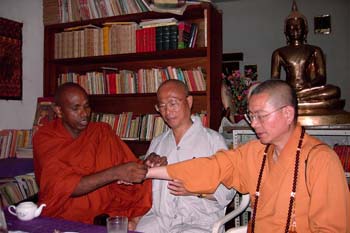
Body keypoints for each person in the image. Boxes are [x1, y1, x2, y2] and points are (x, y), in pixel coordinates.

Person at [146, 80, 350, 232]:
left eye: (260, 116)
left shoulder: (321, 160)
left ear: (288, 114)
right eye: (251, 116)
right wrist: (149, 172)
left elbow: (332, 228)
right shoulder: (255, 152)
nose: (253, 124)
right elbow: (213, 166)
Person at [33, 82, 164, 228]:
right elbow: (65, 186)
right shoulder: (45, 137)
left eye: (86, 106)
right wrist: (116, 173)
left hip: (105, 211)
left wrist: (147, 165)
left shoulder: (101, 132)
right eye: (76, 108)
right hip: (65, 215)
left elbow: (126, 165)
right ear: (59, 110)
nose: (84, 114)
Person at [136, 79, 236, 233]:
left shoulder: (213, 141)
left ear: (189, 101)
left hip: (198, 222)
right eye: (161, 106)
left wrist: (196, 190)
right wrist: (145, 164)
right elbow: (144, 189)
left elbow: (229, 190)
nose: (167, 112)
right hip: (161, 219)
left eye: (173, 103)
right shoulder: (158, 142)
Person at [271, 1, 344, 114]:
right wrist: (286, 90)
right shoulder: (278, 52)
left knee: (334, 91)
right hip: (289, 90)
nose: (295, 30)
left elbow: (322, 77)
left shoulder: (315, 50)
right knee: (274, 94)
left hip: (309, 90)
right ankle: (295, 99)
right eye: (291, 28)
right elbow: (274, 80)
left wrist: (307, 86)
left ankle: (295, 100)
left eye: (298, 27)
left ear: (305, 30)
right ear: (286, 31)